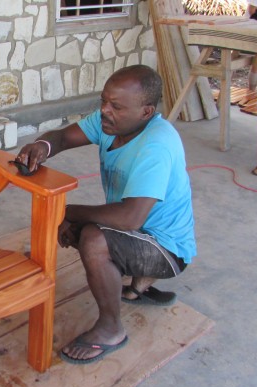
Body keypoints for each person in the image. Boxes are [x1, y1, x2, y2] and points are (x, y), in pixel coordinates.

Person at [16, 64, 196, 364]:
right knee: (78, 227)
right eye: (103, 101)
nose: (104, 111)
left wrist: (66, 212)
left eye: (116, 106)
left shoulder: (157, 145)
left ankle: (111, 329)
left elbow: (129, 218)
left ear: (146, 112)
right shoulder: (110, 123)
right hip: (140, 235)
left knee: (92, 238)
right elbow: (62, 137)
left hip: (167, 250)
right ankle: (139, 285)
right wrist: (41, 146)